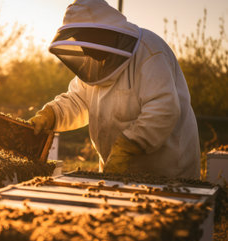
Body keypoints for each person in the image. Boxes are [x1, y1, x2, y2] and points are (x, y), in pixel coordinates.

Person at [29, 0, 200, 179]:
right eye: (79, 41)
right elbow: (78, 101)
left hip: (168, 173)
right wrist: (52, 114)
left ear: (103, 31)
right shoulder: (94, 65)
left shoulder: (150, 51)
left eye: (86, 41)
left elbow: (163, 108)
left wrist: (128, 146)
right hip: (115, 171)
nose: (85, 50)